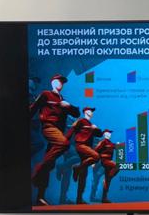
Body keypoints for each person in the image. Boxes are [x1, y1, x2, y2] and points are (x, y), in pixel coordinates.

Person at [29, 73, 79, 205]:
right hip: (49, 128)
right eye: (58, 81)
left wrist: (68, 106)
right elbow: (32, 110)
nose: (61, 84)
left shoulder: (63, 100)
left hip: (58, 134)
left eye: (62, 82)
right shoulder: (46, 94)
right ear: (52, 82)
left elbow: (77, 113)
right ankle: (39, 169)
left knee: (49, 164)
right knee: (64, 143)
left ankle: (40, 197)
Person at [66, 106, 103, 204]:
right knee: (96, 156)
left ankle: (79, 199)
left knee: (83, 175)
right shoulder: (80, 121)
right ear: (85, 111)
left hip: (87, 149)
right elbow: (71, 130)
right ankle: (77, 168)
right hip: (81, 146)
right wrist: (65, 142)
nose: (92, 112)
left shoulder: (91, 125)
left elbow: (100, 134)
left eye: (92, 111)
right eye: (90, 111)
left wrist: (96, 128)